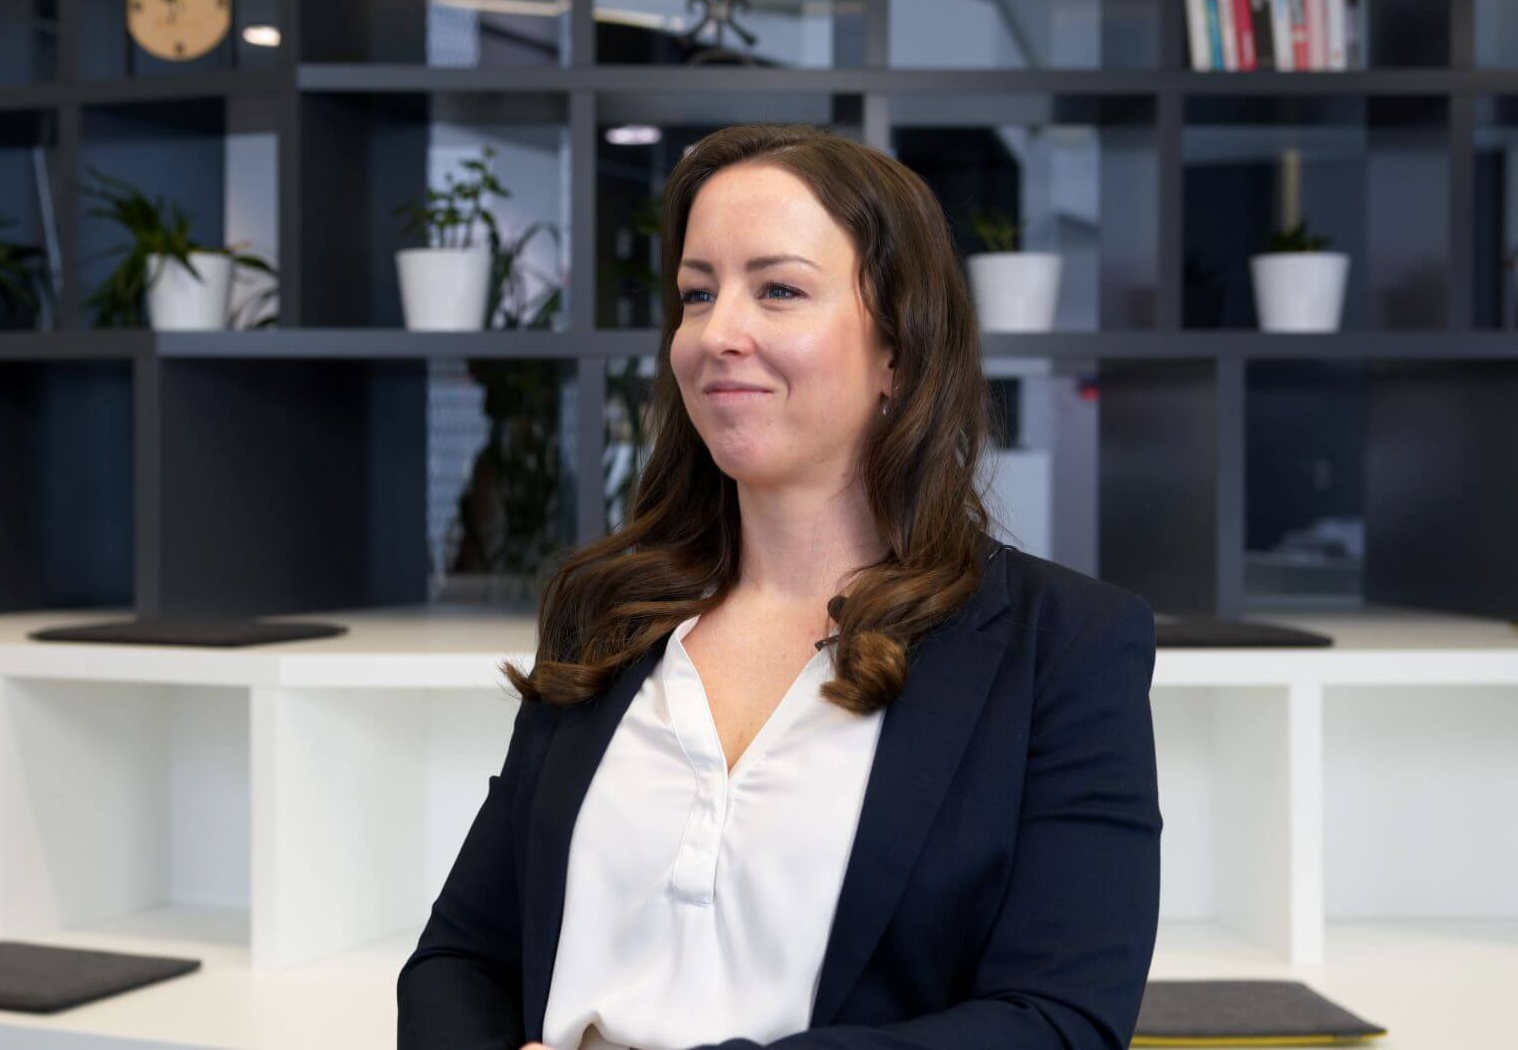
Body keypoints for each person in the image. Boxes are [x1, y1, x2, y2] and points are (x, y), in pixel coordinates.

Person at [396, 122, 1161, 1050]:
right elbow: (462, 958)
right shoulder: (606, 613)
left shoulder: (1064, 647)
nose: (718, 334)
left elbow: (1058, 1023)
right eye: (697, 293)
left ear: (900, 353)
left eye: (780, 290)